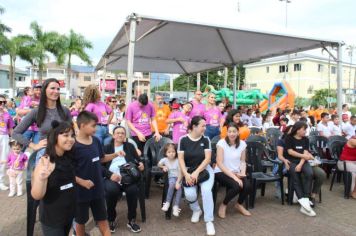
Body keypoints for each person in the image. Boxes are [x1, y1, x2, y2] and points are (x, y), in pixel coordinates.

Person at [31, 121, 76, 236]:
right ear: (55, 137)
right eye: (65, 135)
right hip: (52, 220)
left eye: (72, 135)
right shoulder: (46, 162)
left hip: (68, 215)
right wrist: (41, 179)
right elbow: (36, 195)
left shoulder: (68, 156)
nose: (70, 139)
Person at [72, 111, 111, 236]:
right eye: (93, 125)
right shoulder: (73, 146)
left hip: (98, 190)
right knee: (80, 223)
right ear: (82, 125)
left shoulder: (96, 141)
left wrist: (116, 154)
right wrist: (82, 182)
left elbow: (101, 158)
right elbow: (68, 172)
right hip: (80, 193)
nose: (96, 128)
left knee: (103, 221)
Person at [178, 116, 215, 236]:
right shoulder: (182, 140)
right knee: (189, 194)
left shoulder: (206, 140)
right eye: (203, 126)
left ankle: (209, 220)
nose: (205, 128)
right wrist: (186, 174)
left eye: (205, 125)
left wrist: (197, 172)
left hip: (204, 170)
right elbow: (181, 160)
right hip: (188, 171)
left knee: (206, 191)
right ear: (194, 127)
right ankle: (196, 210)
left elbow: (208, 159)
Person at [103, 126, 144, 233]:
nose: (120, 135)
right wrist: (109, 175)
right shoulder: (107, 148)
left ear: (125, 136)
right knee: (112, 191)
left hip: (128, 177)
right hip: (112, 177)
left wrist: (141, 164)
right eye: (117, 133)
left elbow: (138, 160)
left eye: (122, 133)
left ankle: (131, 220)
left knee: (133, 190)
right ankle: (111, 219)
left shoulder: (129, 146)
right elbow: (100, 165)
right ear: (113, 135)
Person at [13, 78, 72, 151]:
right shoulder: (36, 111)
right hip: (45, 154)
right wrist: (33, 145)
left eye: (58, 89)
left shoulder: (65, 110)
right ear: (44, 91)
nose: (56, 91)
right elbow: (15, 133)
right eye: (52, 88)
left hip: (64, 154)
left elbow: (72, 133)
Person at [215, 122, 251, 218]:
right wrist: (235, 177)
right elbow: (219, 163)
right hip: (221, 171)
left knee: (247, 185)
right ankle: (224, 204)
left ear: (238, 133)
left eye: (234, 131)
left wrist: (242, 173)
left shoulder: (242, 144)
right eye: (229, 131)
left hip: (237, 172)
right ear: (227, 133)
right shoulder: (221, 143)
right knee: (236, 186)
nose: (232, 134)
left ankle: (239, 204)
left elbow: (243, 161)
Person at [285, 121, 316, 216]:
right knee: (295, 175)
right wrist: (303, 156)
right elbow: (290, 152)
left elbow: (306, 152)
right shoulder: (289, 138)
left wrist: (301, 163)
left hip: (302, 161)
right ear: (298, 130)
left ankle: (306, 198)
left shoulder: (305, 139)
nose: (305, 131)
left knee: (309, 173)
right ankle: (302, 199)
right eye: (304, 129)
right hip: (292, 161)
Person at [159, 143, 183, 217]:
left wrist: (178, 182)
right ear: (166, 153)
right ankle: (167, 202)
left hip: (179, 177)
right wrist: (163, 166)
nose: (171, 154)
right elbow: (159, 164)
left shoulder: (178, 160)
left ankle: (176, 206)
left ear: (176, 152)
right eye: (169, 152)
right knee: (172, 184)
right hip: (171, 177)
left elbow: (181, 172)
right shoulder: (165, 160)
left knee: (179, 189)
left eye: (173, 152)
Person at [0, 95, 15, 191]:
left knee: (3, 160)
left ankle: (0, 182)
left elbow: (10, 128)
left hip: (4, 137)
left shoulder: (7, 114)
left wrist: (13, 140)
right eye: (0, 102)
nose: (2, 104)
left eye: (3, 102)